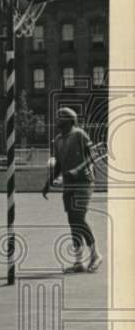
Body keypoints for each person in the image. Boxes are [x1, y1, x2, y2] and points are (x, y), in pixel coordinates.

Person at [43, 107, 101, 273]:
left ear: (69, 120)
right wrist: (48, 182)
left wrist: (78, 170)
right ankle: (78, 262)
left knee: (79, 218)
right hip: (69, 184)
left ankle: (96, 255)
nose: (57, 120)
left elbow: (93, 155)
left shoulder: (79, 134)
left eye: (60, 117)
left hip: (84, 182)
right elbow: (59, 165)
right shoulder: (58, 140)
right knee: (73, 222)